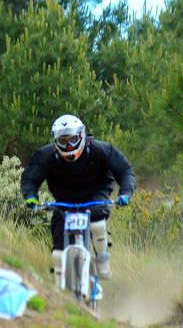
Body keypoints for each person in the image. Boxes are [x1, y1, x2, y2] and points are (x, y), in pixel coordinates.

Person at [20, 114, 135, 287]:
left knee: (98, 225)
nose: (68, 146)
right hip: (64, 200)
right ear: (55, 141)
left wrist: (125, 194)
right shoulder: (45, 155)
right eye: (63, 141)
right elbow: (30, 178)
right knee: (58, 254)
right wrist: (30, 197)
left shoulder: (101, 150)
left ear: (82, 135)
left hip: (95, 194)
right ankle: (59, 293)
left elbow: (124, 170)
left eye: (73, 140)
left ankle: (102, 259)